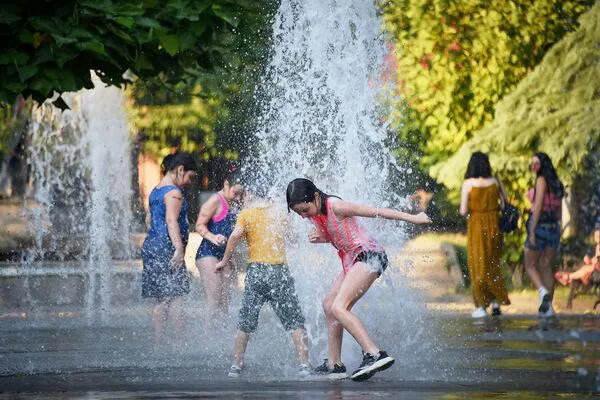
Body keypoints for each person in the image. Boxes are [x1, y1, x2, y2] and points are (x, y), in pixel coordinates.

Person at [286, 178, 431, 381]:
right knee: (329, 304)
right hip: (354, 260)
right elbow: (340, 231)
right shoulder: (317, 213)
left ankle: (374, 354)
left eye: (305, 210)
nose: (303, 216)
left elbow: (377, 211)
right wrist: (324, 237)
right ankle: (335, 364)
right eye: (299, 213)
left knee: (339, 307)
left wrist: (414, 219)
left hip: (370, 256)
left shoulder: (337, 206)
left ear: (316, 196)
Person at [215, 189, 310, 378]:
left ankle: (236, 364)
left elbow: (234, 236)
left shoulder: (247, 214)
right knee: (294, 320)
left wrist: (224, 261)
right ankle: (304, 365)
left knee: (246, 320)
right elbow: (293, 238)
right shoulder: (280, 212)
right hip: (279, 272)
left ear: (252, 196)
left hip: (257, 272)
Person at [141, 152, 197, 345]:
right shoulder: (173, 192)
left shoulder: (156, 190)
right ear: (180, 170)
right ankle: (181, 343)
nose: (190, 181)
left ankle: (159, 344)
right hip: (167, 248)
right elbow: (171, 221)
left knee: (161, 300)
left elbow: (149, 220)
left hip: (152, 246)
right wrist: (179, 250)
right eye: (190, 176)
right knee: (176, 298)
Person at [459, 152, 511, 318]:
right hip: (494, 225)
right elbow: (505, 205)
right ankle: (496, 302)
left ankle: (481, 305)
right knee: (492, 264)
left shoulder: (468, 183)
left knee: (477, 264)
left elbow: (463, 210)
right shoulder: (496, 181)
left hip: (476, 225)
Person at [194, 167, 244, 318]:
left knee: (224, 303)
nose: (237, 197)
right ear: (226, 184)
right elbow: (199, 225)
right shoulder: (215, 200)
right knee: (213, 302)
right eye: (235, 193)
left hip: (223, 257)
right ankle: (208, 339)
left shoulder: (234, 203)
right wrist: (213, 237)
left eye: (240, 194)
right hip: (207, 253)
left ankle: (222, 339)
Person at [524, 152, 564, 318]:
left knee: (530, 265)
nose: (533, 166)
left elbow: (538, 206)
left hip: (539, 227)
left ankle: (542, 293)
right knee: (546, 266)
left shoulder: (541, 180)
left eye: (536, 163)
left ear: (543, 165)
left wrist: (532, 231)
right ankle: (548, 309)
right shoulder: (556, 182)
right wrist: (558, 230)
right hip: (554, 228)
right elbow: (559, 211)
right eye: (531, 163)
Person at [555, 227, 600, 308]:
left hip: (596, 270)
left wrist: (591, 261)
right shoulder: (597, 246)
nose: (597, 237)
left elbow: (597, 260)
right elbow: (596, 260)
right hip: (594, 269)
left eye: (599, 236)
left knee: (586, 269)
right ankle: (569, 277)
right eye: (596, 235)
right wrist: (589, 260)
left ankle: (568, 276)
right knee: (584, 267)